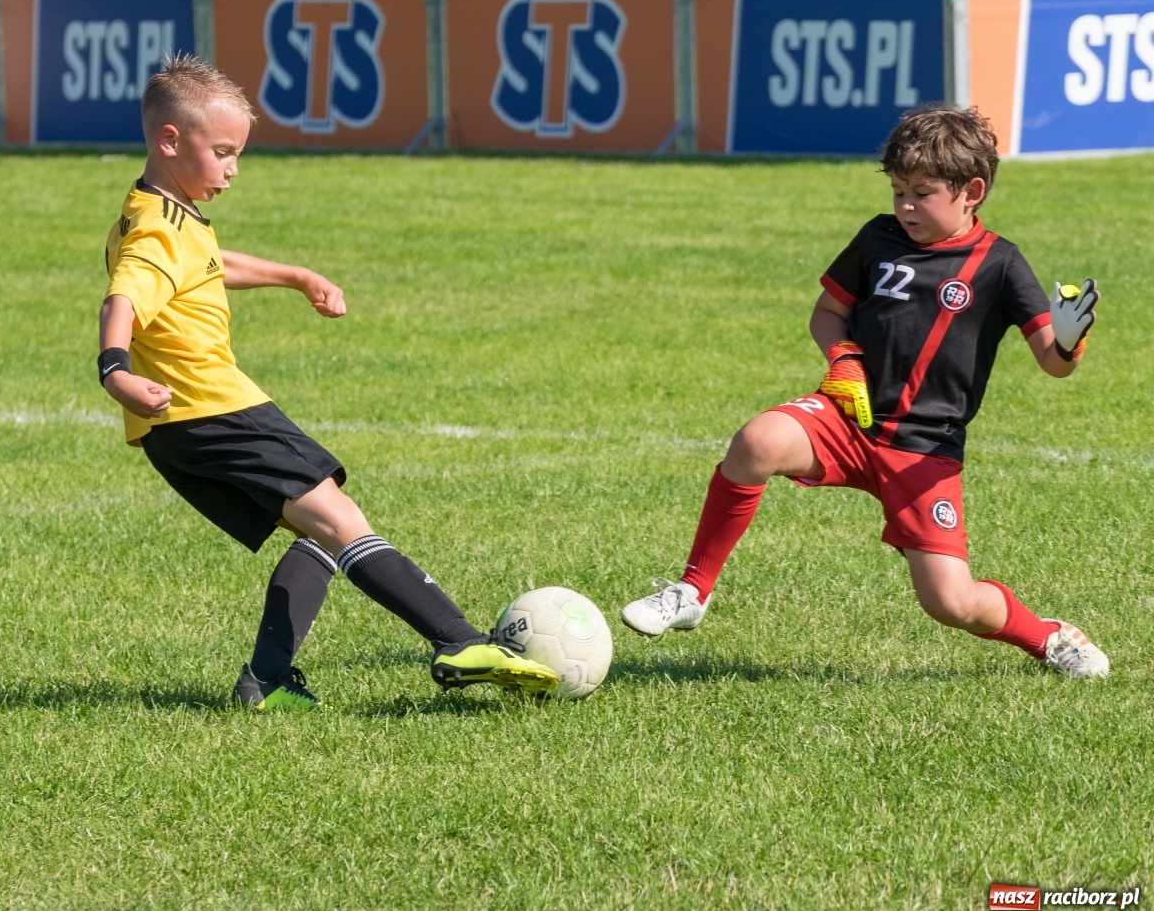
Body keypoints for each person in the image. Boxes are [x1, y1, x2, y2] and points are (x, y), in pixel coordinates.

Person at [98, 54, 558, 710]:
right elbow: (123, 300)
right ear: (171, 140)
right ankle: (456, 638)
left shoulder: (159, 210)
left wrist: (295, 274)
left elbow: (207, 262)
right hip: (213, 409)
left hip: (178, 429)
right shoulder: (153, 235)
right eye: (223, 152)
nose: (234, 169)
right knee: (342, 520)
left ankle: (268, 678)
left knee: (319, 531)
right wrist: (115, 370)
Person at [620, 104, 1108, 678]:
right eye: (898, 190)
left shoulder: (1000, 264)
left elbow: (1053, 362)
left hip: (924, 449)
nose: (904, 206)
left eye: (921, 193)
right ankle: (691, 591)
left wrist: (1070, 340)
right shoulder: (878, 238)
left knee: (950, 602)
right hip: (847, 419)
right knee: (756, 442)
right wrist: (844, 358)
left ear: (971, 190)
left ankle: (1047, 637)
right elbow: (827, 313)